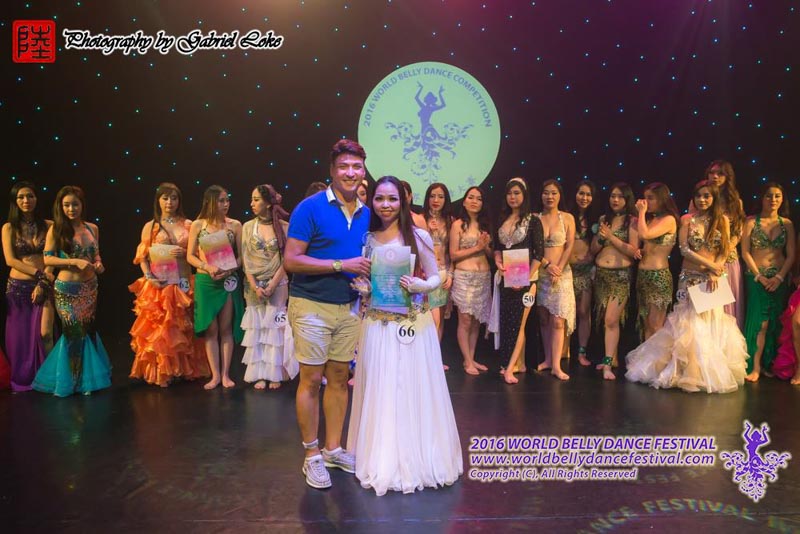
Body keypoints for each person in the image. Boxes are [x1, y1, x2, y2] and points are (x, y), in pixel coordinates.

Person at [346, 175, 461, 496]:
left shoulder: (418, 235)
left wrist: (422, 285)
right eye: (380, 198)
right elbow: (367, 279)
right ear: (372, 201)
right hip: (378, 324)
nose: (386, 205)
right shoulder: (367, 238)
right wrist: (364, 287)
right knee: (382, 388)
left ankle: (418, 456)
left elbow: (437, 275)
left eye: (392, 199)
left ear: (403, 201)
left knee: (412, 388)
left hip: (413, 324)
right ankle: (382, 455)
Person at [284, 139, 371, 489]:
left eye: (357, 166)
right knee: (310, 380)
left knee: (338, 378)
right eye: (344, 166)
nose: (351, 172)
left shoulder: (367, 213)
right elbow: (292, 260)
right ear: (332, 171)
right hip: (311, 305)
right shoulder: (310, 208)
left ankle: (333, 449)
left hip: (349, 307)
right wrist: (340, 264)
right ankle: (312, 454)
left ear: (363, 171)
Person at [626, 181, 748, 393]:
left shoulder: (722, 221)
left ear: (714, 198)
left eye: (707, 196)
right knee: (689, 325)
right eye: (699, 196)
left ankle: (704, 373)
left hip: (713, 278)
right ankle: (686, 372)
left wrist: (715, 270)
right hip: (690, 277)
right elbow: (684, 250)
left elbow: (725, 249)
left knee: (710, 323)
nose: (702, 200)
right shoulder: (686, 220)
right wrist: (711, 266)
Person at [33, 186, 111, 396]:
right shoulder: (56, 229)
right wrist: (73, 262)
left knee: (86, 331)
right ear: (60, 207)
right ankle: (72, 381)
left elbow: (96, 254)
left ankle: (85, 380)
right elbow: (48, 259)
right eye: (66, 205)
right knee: (73, 333)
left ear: (82, 205)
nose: (71, 209)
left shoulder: (92, 228)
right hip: (67, 290)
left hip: (90, 288)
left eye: (75, 204)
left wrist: (98, 264)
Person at [129, 183, 208, 387]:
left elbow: (200, 252)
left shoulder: (189, 224)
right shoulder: (151, 226)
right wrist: (148, 276)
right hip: (160, 284)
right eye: (165, 198)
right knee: (163, 329)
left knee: (185, 327)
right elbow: (143, 256)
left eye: (174, 198)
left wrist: (187, 253)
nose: (169, 202)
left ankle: (186, 369)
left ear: (179, 201)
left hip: (183, 281)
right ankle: (165, 371)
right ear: (158, 201)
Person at [186, 185, 244, 390]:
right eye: (221, 200)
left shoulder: (235, 225)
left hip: (228, 281)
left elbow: (242, 257)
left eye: (227, 200)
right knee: (211, 330)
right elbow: (190, 255)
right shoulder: (198, 225)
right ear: (210, 202)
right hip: (206, 280)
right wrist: (207, 266)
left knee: (226, 328)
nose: (226, 204)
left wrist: (230, 269)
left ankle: (226, 374)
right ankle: (215, 375)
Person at [241, 184, 296, 390]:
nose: (252, 203)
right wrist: (255, 285)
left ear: (267, 203)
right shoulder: (248, 227)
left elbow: (286, 259)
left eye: (256, 200)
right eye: (252, 199)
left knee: (275, 327)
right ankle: (260, 374)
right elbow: (246, 259)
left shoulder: (284, 227)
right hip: (254, 285)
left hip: (278, 283)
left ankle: (275, 373)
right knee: (258, 326)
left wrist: (272, 284)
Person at [2, 181, 55, 391]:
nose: (26, 200)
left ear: (36, 198)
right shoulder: (9, 228)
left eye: (30, 196)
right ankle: (24, 378)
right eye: (21, 197)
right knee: (20, 337)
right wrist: (39, 274)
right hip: (17, 288)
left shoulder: (49, 225)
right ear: (15, 201)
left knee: (45, 334)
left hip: (44, 285)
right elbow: (10, 260)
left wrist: (43, 281)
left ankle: (49, 378)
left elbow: (53, 257)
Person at [740, 182, 794, 382]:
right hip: (757, 278)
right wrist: (759, 276)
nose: (773, 200)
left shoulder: (786, 224)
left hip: (779, 279)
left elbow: (791, 255)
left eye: (777, 196)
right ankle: (754, 367)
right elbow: (745, 252)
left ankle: (767, 364)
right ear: (762, 198)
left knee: (774, 322)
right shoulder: (751, 222)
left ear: (782, 199)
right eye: (769, 196)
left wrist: (779, 277)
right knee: (759, 324)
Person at [493, 178, 544, 384]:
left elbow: (539, 254)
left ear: (524, 195)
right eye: (509, 193)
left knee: (519, 323)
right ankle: (510, 364)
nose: (512, 197)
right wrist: (498, 262)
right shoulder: (502, 219)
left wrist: (525, 278)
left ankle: (510, 368)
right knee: (507, 323)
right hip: (506, 279)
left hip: (527, 282)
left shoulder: (533, 221)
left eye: (517, 193)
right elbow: (498, 249)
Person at [591, 183, 638, 380]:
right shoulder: (604, 219)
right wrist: (602, 239)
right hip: (602, 274)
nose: (615, 200)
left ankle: (608, 365)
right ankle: (613, 358)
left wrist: (611, 237)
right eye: (612, 196)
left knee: (611, 319)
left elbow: (633, 251)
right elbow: (593, 249)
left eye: (620, 196)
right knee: (606, 320)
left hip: (621, 276)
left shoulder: (632, 221)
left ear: (627, 199)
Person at [697, 160, 746, 328]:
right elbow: (692, 230)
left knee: (725, 309)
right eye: (712, 173)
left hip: (727, 260)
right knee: (706, 310)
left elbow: (738, 233)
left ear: (727, 177)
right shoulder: (699, 199)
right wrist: (709, 261)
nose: (715, 176)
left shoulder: (735, 202)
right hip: (704, 262)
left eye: (720, 173)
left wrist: (722, 256)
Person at [535, 180, 576, 381]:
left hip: (562, 274)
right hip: (541, 274)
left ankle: (557, 365)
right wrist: (547, 266)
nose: (549, 196)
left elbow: (569, 246)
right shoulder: (534, 218)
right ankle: (548, 359)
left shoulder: (567, 218)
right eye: (546, 192)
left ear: (560, 195)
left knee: (558, 320)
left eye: (553, 193)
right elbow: (533, 248)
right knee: (544, 319)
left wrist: (558, 268)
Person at [450, 186, 493, 375]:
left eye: (479, 198)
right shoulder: (458, 225)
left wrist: (487, 246)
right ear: (464, 201)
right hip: (464, 277)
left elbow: (490, 254)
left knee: (476, 321)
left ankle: (471, 358)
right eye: (471, 197)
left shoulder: (485, 225)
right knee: (465, 320)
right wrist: (477, 247)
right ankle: (467, 361)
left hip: (483, 276)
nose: (475, 201)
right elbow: (453, 254)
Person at [634, 183, 679, 340]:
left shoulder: (669, 219)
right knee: (646, 323)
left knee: (656, 324)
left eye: (650, 198)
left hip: (658, 277)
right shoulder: (652, 219)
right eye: (645, 198)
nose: (646, 202)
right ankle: (647, 355)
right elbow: (648, 243)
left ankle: (658, 356)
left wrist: (641, 212)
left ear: (661, 199)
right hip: (643, 275)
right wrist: (641, 251)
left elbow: (645, 235)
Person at [568, 180, 599, 366]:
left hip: (586, 271)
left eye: (588, 194)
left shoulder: (596, 220)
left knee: (583, 311)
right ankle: (563, 350)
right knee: (564, 312)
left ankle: (582, 352)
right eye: (581, 193)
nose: (584, 198)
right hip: (566, 271)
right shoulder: (566, 216)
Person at [422, 182, 454, 343]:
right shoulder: (421, 219)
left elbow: (453, 252)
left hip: (443, 272)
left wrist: (450, 274)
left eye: (440, 197)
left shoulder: (451, 221)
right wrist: (426, 229)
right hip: (426, 272)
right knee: (427, 317)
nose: (436, 200)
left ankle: (436, 354)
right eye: (432, 196)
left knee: (440, 317)